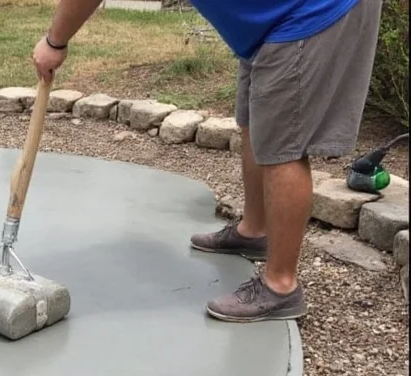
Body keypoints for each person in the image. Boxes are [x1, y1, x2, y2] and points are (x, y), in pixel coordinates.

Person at [32, 0, 382, 323]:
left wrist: (55, 42)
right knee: (256, 122)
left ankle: (281, 286)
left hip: (311, 10)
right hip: (271, 19)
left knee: (284, 143)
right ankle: (254, 231)